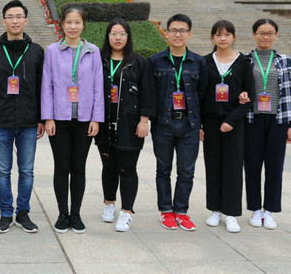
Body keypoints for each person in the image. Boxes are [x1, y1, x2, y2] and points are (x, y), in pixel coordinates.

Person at [0, 0, 45, 234]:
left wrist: (41, 118)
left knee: (27, 171)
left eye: (19, 16)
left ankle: (23, 213)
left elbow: (42, 88)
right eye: (10, 17)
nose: (15, 21)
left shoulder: (36, 51)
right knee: (2, 171)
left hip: (29, 122)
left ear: (26, 20)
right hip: (2, 122)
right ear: (4, 21)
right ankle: (6, 213)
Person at [41, 5, 103, 234]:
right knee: (61, 167)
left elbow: (98, 86)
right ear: (62, 24)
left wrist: (96, 118)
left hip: (84, 120)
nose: (73, 26)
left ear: (83, 25)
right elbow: (47, 86)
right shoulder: (52, 51)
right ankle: (62, 213)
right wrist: (48, 117)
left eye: (77, 22)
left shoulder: (93, 51)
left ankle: (75, 214)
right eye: (69, 22)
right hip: (59, 119)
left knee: (78, 167)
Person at [95, 18, 155, 232]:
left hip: (129, 124)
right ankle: (109, 204)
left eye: (122, 34)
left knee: (127, 168)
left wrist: (144, 120)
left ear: (128, 37)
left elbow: (148, 92)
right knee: (108, 166)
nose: (117, 38)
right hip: (104, 124)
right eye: (113, 34)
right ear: (108, 36)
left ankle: (126, 212)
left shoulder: (138, 62)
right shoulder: (99, 60)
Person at [149, 13, 207, 231]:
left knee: (186, 171)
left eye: (182, 30)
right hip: (163, 124)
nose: (177, 34)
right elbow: (150, 93)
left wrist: (202, 125)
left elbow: (203, 95)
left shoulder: (199, 62)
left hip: (189, 125)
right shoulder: (155, 60)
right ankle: (166, 211)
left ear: (189, 34)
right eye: (173, 30)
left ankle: (181, 211)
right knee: (163, 169)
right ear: (166, 33)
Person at [200, 20, 254, 233]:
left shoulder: (244, 63)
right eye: (218, 34)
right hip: (210, 123)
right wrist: (201, 124)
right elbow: (200, 94)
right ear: (212, 38)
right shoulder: (205, 62)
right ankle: (214, 209)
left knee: (232, 167)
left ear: (234, 37)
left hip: (234, 123)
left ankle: (231, 213)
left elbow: (250, 96)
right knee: (212, 165)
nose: (222, 38)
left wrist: (232, 120)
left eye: (227, 34)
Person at [244, 18, 291, 230]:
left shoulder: (286, 61)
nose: (265, 36)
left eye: (270, 33)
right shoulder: (244, 60)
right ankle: (255, 208)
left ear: (276, 35)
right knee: (252, 165)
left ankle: (269, 210)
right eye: (261, 33)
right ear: (254, 35)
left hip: (278, 120)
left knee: (275, 166)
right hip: (252, 119)